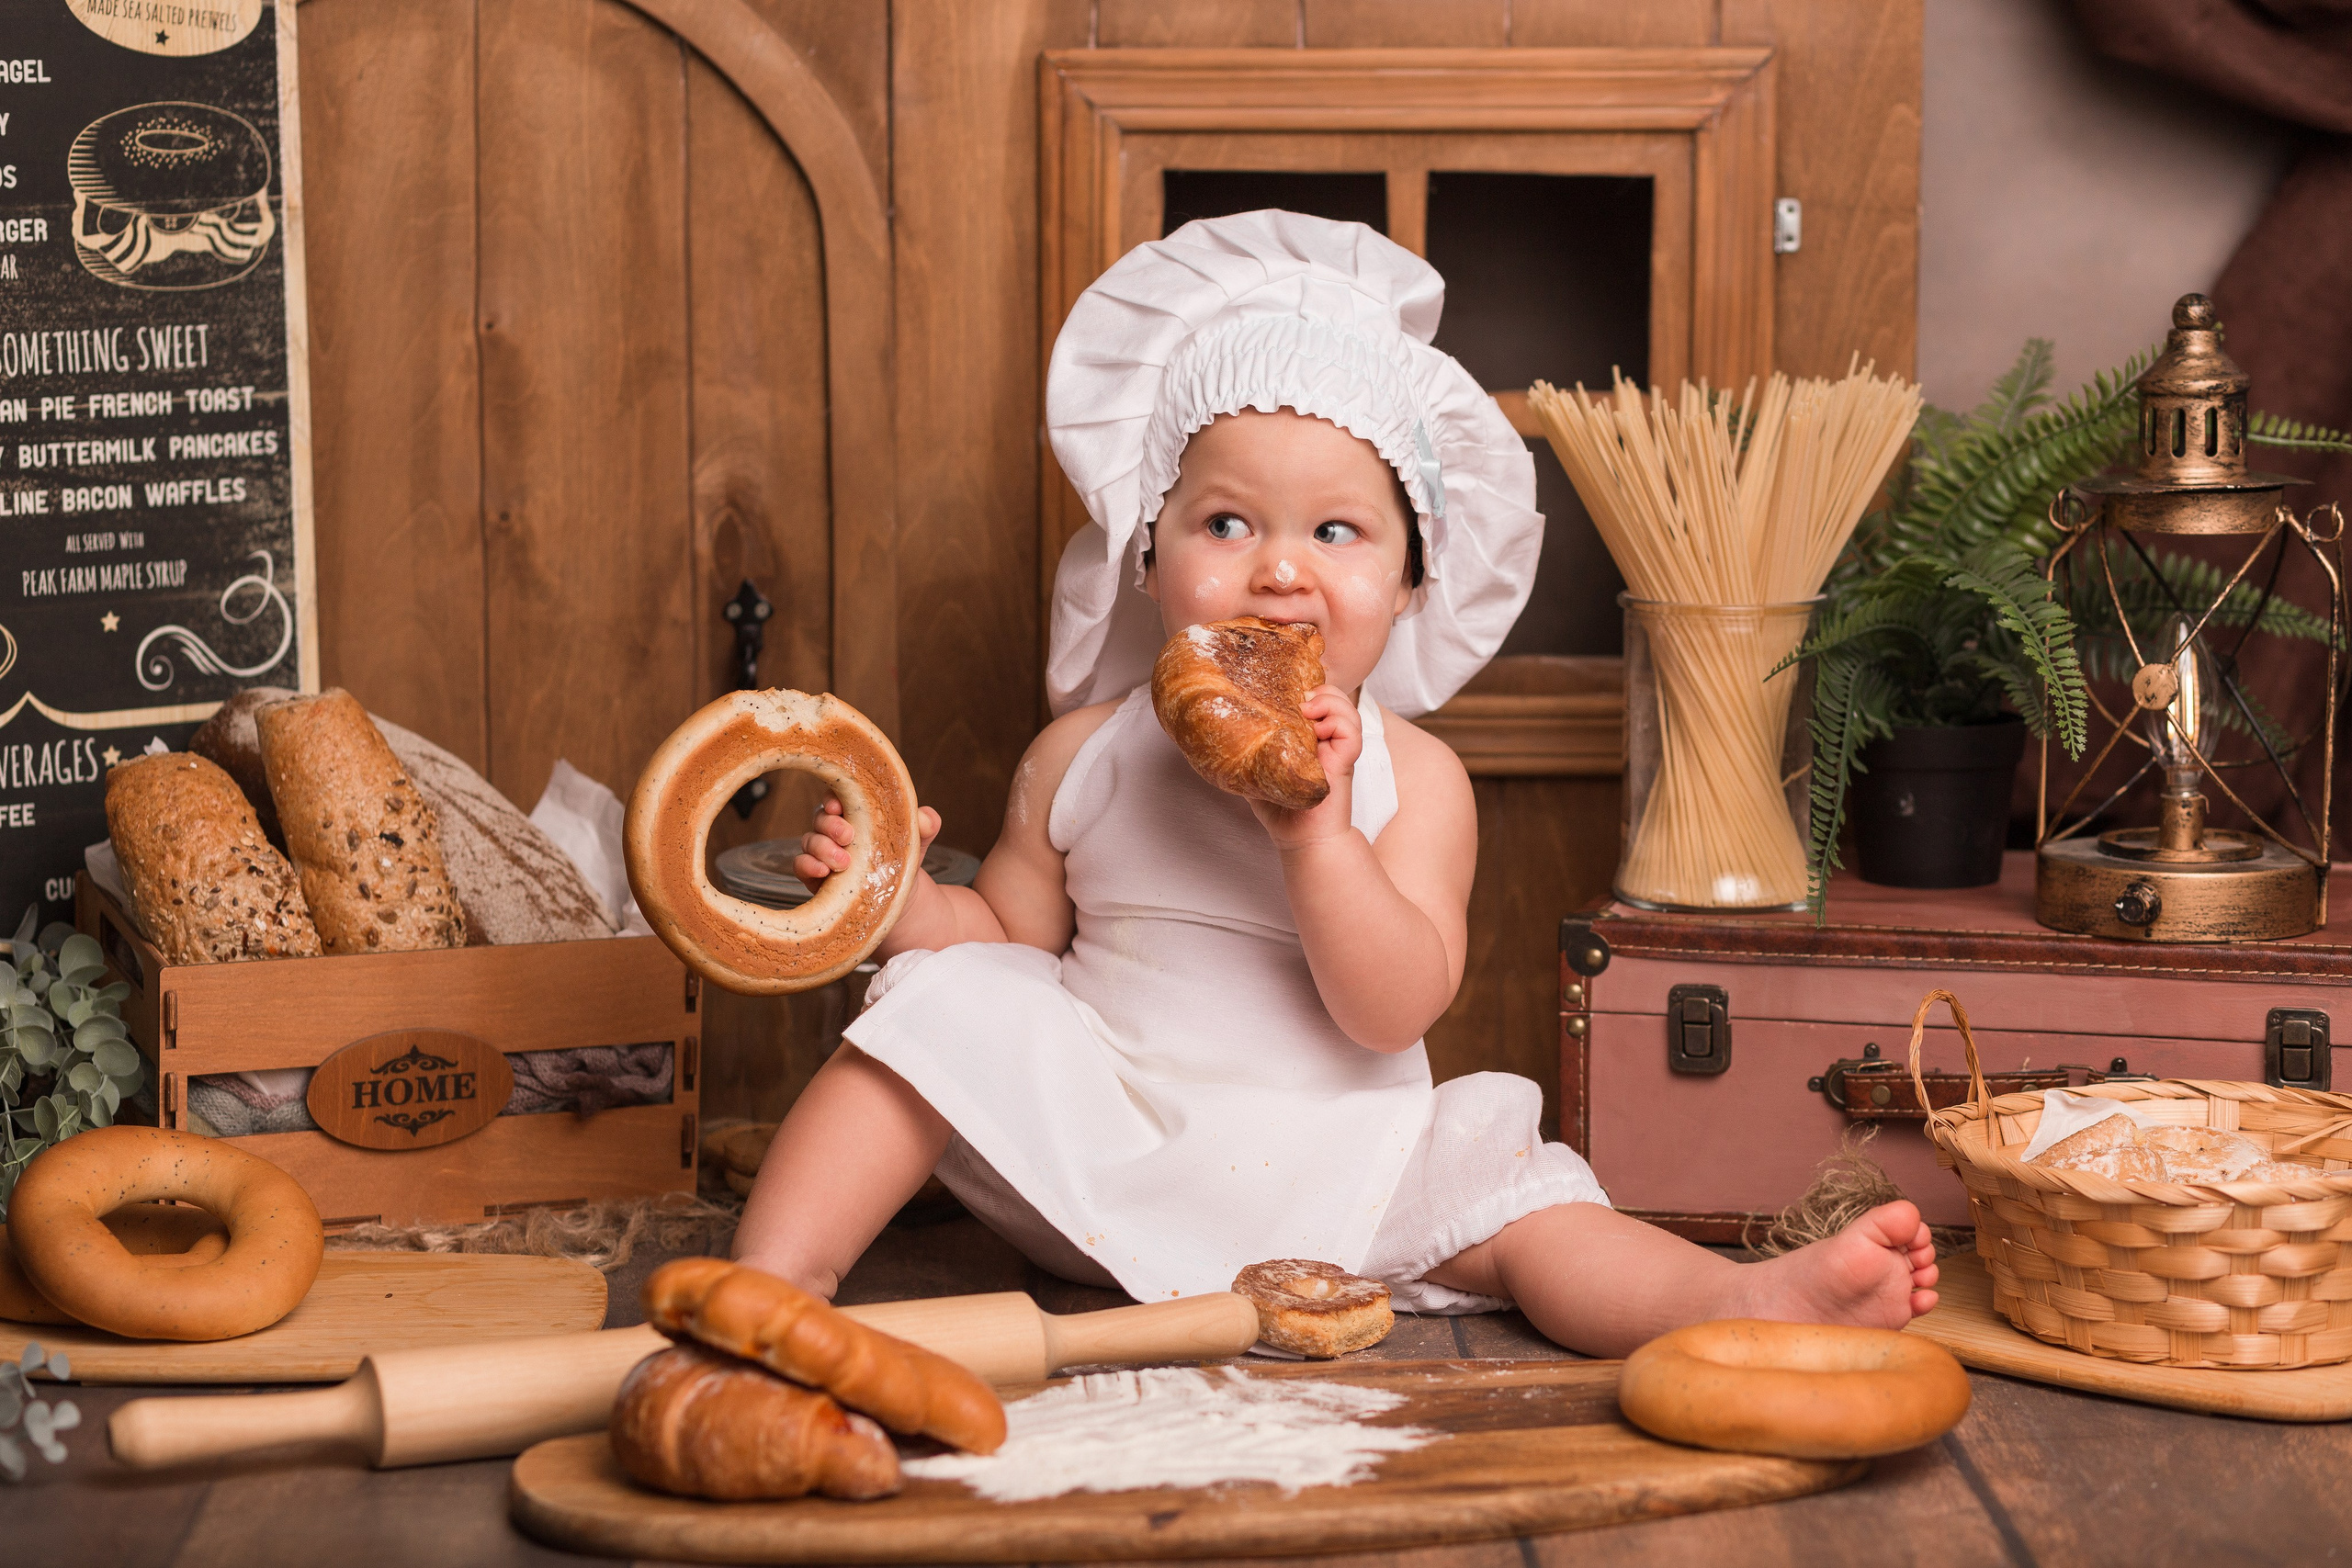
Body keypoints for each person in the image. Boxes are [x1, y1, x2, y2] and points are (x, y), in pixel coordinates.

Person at [731, 210, 1936, 1356]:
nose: (1279, 571)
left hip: (1338, 1167)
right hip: (1104, 1140)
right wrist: (901, 905)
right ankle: (773, 1283)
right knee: (939, 1001)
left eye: (1337, 533)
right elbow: (1008, 939)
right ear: (1148, 555)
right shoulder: (1081, 753)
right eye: (1225, 524)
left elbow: (1391, 1011)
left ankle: (1737, 1301)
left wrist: (1318, 836)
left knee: (1525, 1210)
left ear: (1412, 584)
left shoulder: (1418, 779)